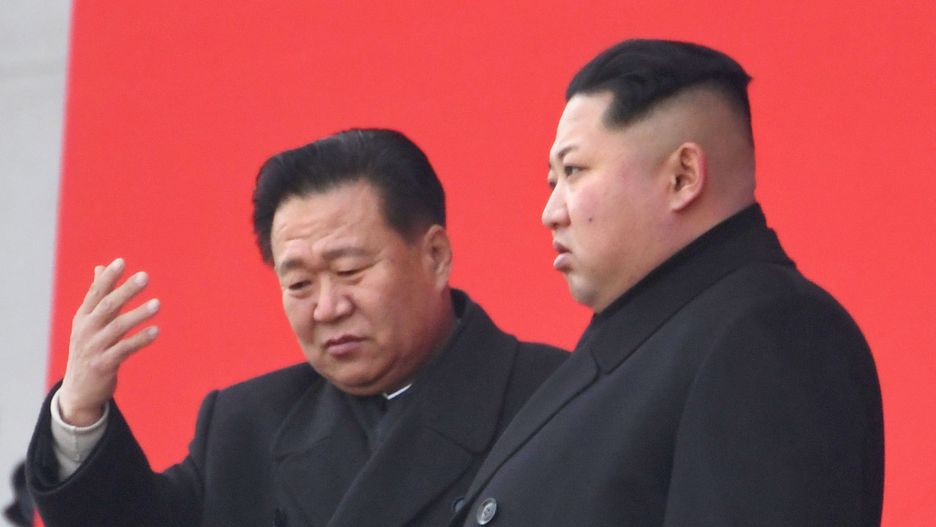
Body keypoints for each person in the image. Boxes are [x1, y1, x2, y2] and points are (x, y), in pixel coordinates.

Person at [26, 129, 567, 527]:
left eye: (350, 271)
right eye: (300, 283)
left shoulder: (557, 399)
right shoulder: (245, 426)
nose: (327, 307)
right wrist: (80, 411)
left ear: (435, 256)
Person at [455, 39, 883, 526]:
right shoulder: (653, 340)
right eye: (553, 181)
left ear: (682, 177)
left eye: (573, 171)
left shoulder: (773, 337)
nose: (551, 213)